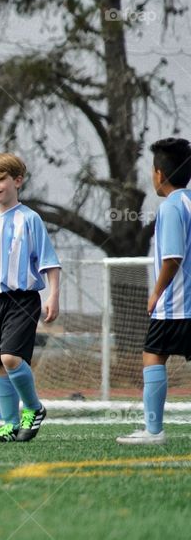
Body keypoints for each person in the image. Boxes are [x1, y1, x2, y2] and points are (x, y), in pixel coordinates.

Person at [0, 152, 61, 443]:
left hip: (23, 300)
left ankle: (34, 408)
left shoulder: (30, 219)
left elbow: (50, 263)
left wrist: (53, 296)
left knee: (11, 357)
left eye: (1, 179)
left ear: (17, 181)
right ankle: (9, 425)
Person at [118, 137, 191, 445]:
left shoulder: (171, 207)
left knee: (153, 356)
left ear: (159, 174)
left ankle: (153, 431)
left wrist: (156, 293)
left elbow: (173, 257)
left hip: (176, 304)